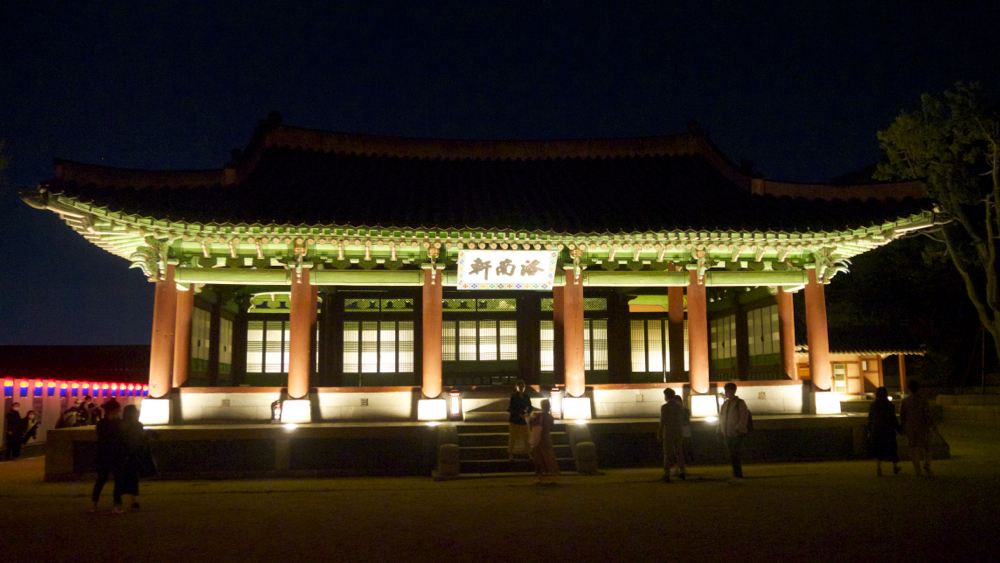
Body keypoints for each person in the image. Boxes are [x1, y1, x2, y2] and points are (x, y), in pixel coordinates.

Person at [91, 399, 123, 513]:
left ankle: (96, 504)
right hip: (109, 455)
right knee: (105, 480)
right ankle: (113, 505)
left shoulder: (102, 423)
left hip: (107, 454)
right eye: (118, 410)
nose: (119, 412)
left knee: (109, 480)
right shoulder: (116, 423)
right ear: (113, 410)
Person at [900, 380, 937, 476]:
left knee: (913, 448)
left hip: (910, 426)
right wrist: (932, 425)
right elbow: (927, 414)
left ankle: (917, 469)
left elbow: (903, 416)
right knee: (927, 446)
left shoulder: (905, 401)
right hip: (922, 426)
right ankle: (927, 464)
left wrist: (902, 427)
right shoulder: (923, 400)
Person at [718, 382, 750, 483]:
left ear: (733, 391)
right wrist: (720, 429)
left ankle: (738, 476)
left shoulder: (739, 403)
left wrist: (738, 429)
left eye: (728, 391)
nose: (726, 393)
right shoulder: (726, 404)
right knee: (732, 455)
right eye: (726, 391)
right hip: (728, 433)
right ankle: (736, 476)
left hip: (737, 434)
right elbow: (722, 418)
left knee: (735, 455)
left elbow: (743, 417)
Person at [119, 404, 148, 511]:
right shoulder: (136, 425)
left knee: (126, 478)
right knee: (132, 478)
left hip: (127, 454)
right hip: (132, 454)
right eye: (136, 411)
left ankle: (125, 501)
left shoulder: (123, 425)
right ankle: (133, 501)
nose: (138, 412)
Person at [867, 386, 902, 476]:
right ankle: (895, 466)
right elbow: (893, 418)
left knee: (878, 449)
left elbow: (870, 418)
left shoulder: (873, 405)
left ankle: (879, 468)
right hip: (888, 429)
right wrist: (898, 428)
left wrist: (869, 430)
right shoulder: (890, 405)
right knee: (892, 448)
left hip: (877, 429)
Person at [528, 399, 559, 484]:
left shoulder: (539, 415)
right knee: (549, 457)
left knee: (539, 458)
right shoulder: (550, 416)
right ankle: (554, 476)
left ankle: (539, 477)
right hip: (547, 437)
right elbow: (551, 426)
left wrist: (531, 417)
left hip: (539, 438)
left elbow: (531, 422)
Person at [657, 388, 685, 481]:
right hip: (678, 431)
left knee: (667, 454)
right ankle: (682, 472)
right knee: (679, 452)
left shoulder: (665, 407)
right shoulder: (679, 407)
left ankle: (667, 474)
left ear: (666, 396)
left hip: (668, 432)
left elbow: (662, 421)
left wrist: (659, 432)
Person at [507, 380, 533, 459]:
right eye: (520, 387)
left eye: (523, 387)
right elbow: (511, 408)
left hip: (523, 419)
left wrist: (528, 413)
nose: (521, 388)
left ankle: (528, 453)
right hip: (515, 419)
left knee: (526, 437)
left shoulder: (526, 396)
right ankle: (511, 454)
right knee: (513, 437)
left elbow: (530, 407)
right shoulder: (514, 396)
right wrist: (518, 414)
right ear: (517, 387)